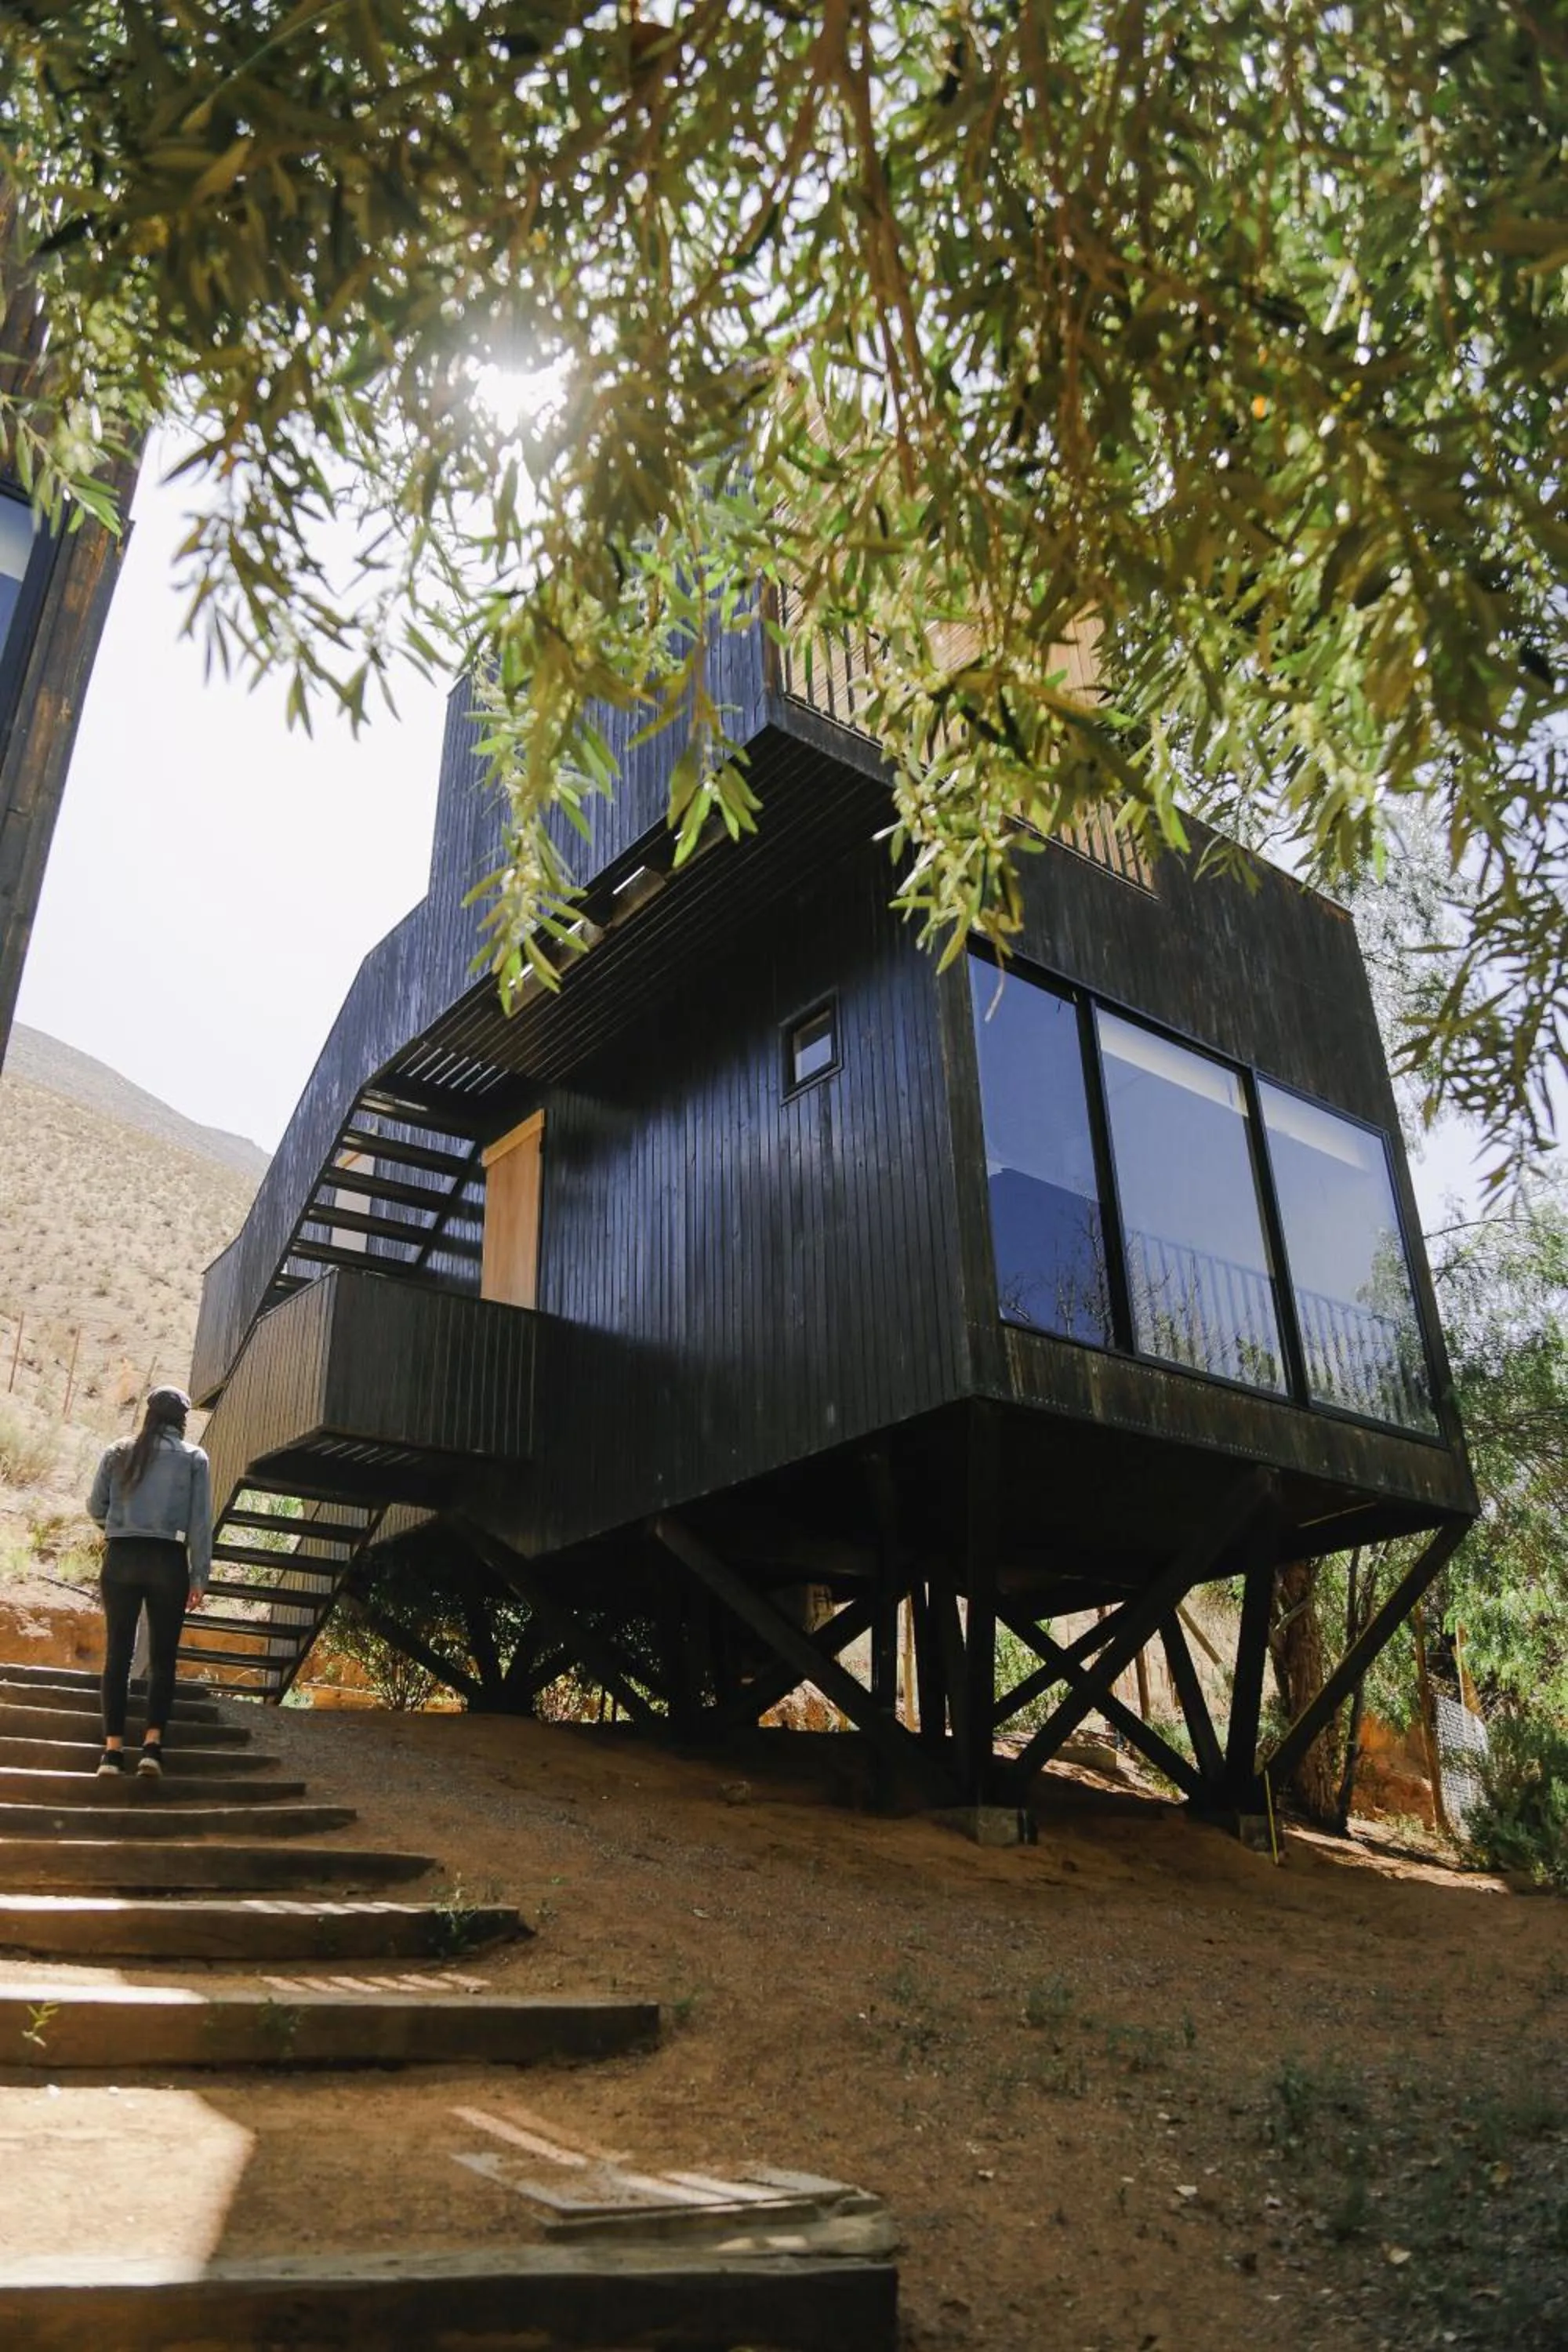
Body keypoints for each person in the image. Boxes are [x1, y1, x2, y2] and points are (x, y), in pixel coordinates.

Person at [87, 1385, 211, 1779]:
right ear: (182, 1419)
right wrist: (199, 1576)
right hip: (167, 1562)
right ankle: (152, 1749)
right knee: (162, 1659)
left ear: (149, 1415)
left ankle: (111, 1753)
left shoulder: (118, 1451)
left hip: (122, 1557)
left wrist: (120, 1528)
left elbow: (95, 1506)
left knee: (117, 1656)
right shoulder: (194, 1458)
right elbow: (200, 1524)